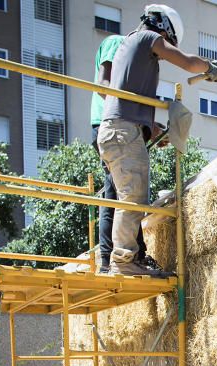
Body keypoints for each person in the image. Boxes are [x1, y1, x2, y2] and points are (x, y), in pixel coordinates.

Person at [97, 4, 217, 277]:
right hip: (122, 131)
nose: (165, 50)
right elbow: (188, 62)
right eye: (168, 41)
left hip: (118, 130)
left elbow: (125, 97)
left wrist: (150, 127)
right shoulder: (146, 38)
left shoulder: (130, 46)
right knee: (133, 197)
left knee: (128, 196)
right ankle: (124, 260)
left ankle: (125, 258)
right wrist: (210, 67)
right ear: (163, 28)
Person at [91, 34, 154, 274]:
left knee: (120, 193)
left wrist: (148, 126)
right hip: (112, 123)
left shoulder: (128, 50)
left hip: (113, 124)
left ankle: (117, 258)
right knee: (124, 194)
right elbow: (104, 83)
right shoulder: (121, 43)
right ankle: (119, 259)